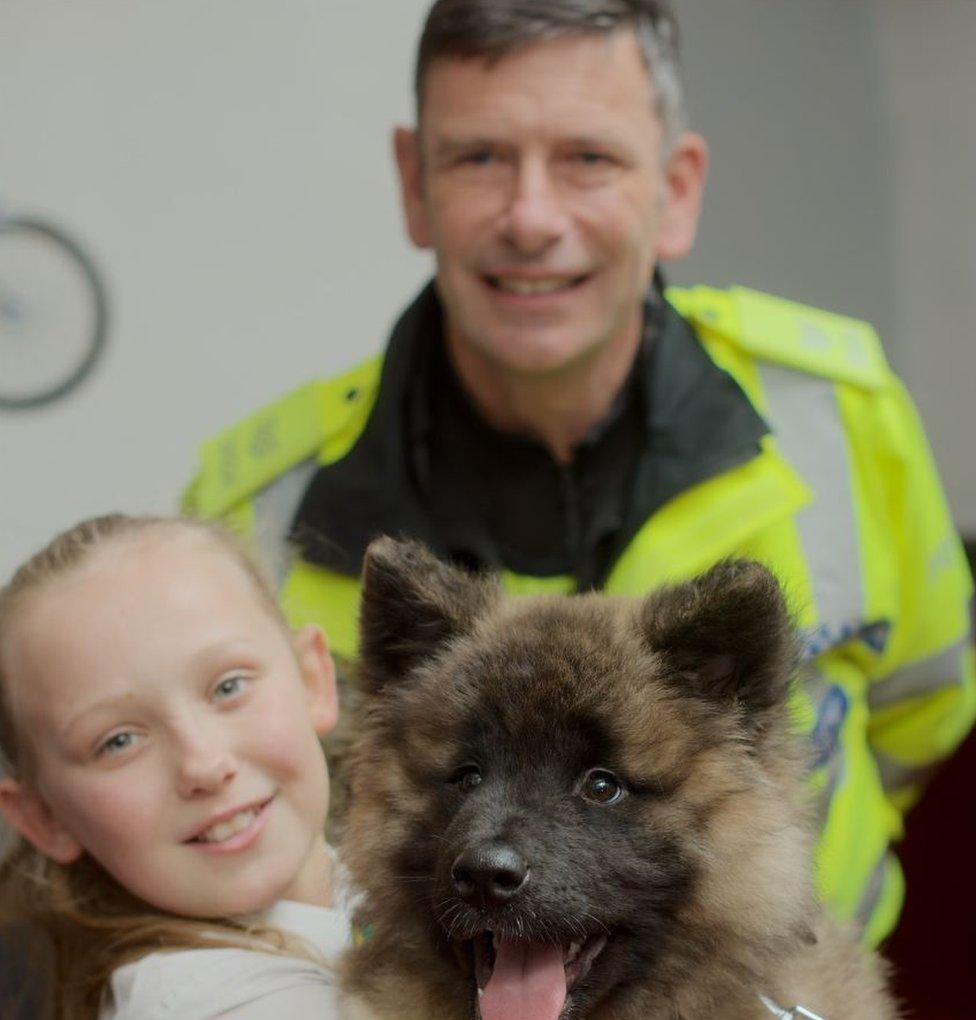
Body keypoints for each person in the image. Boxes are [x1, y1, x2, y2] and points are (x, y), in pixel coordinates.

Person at [184, 0, 976, 949]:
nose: (531, 218)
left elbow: (920, 724)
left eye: (587, 159)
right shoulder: (255, 510)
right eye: (479, 158)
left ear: (676, 188)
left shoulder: (839, 415)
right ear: (414, 183)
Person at [0, 513, 730, 1020]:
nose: (204, 764)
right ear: (42, 817)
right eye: (118, 741)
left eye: (228, 687)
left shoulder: (379, 903)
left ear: (317, 676)